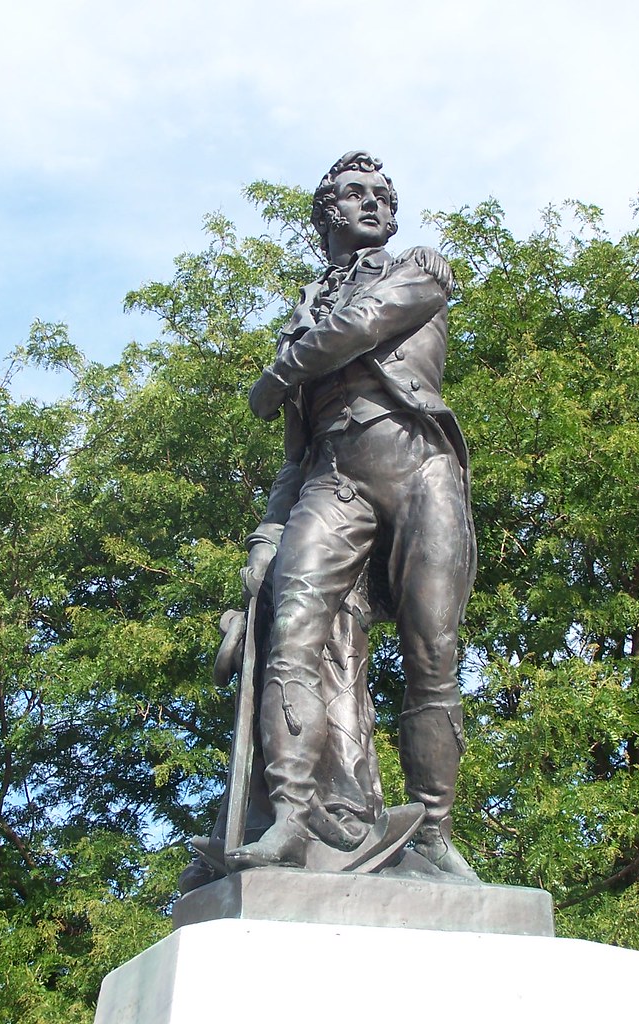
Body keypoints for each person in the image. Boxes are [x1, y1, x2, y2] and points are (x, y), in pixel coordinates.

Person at [230, 151, 477, 879]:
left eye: (382, 196)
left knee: (432, 654)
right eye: (354, 194)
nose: (372, 205)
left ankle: (432, 832)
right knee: (292, 634)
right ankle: (292, 820)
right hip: (332, 476)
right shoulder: (304, 314)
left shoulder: (423, 271)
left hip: (419, 467)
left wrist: (279, 372)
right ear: (326, 213)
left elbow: (365, 324)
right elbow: (293, 454)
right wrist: (267, 535)